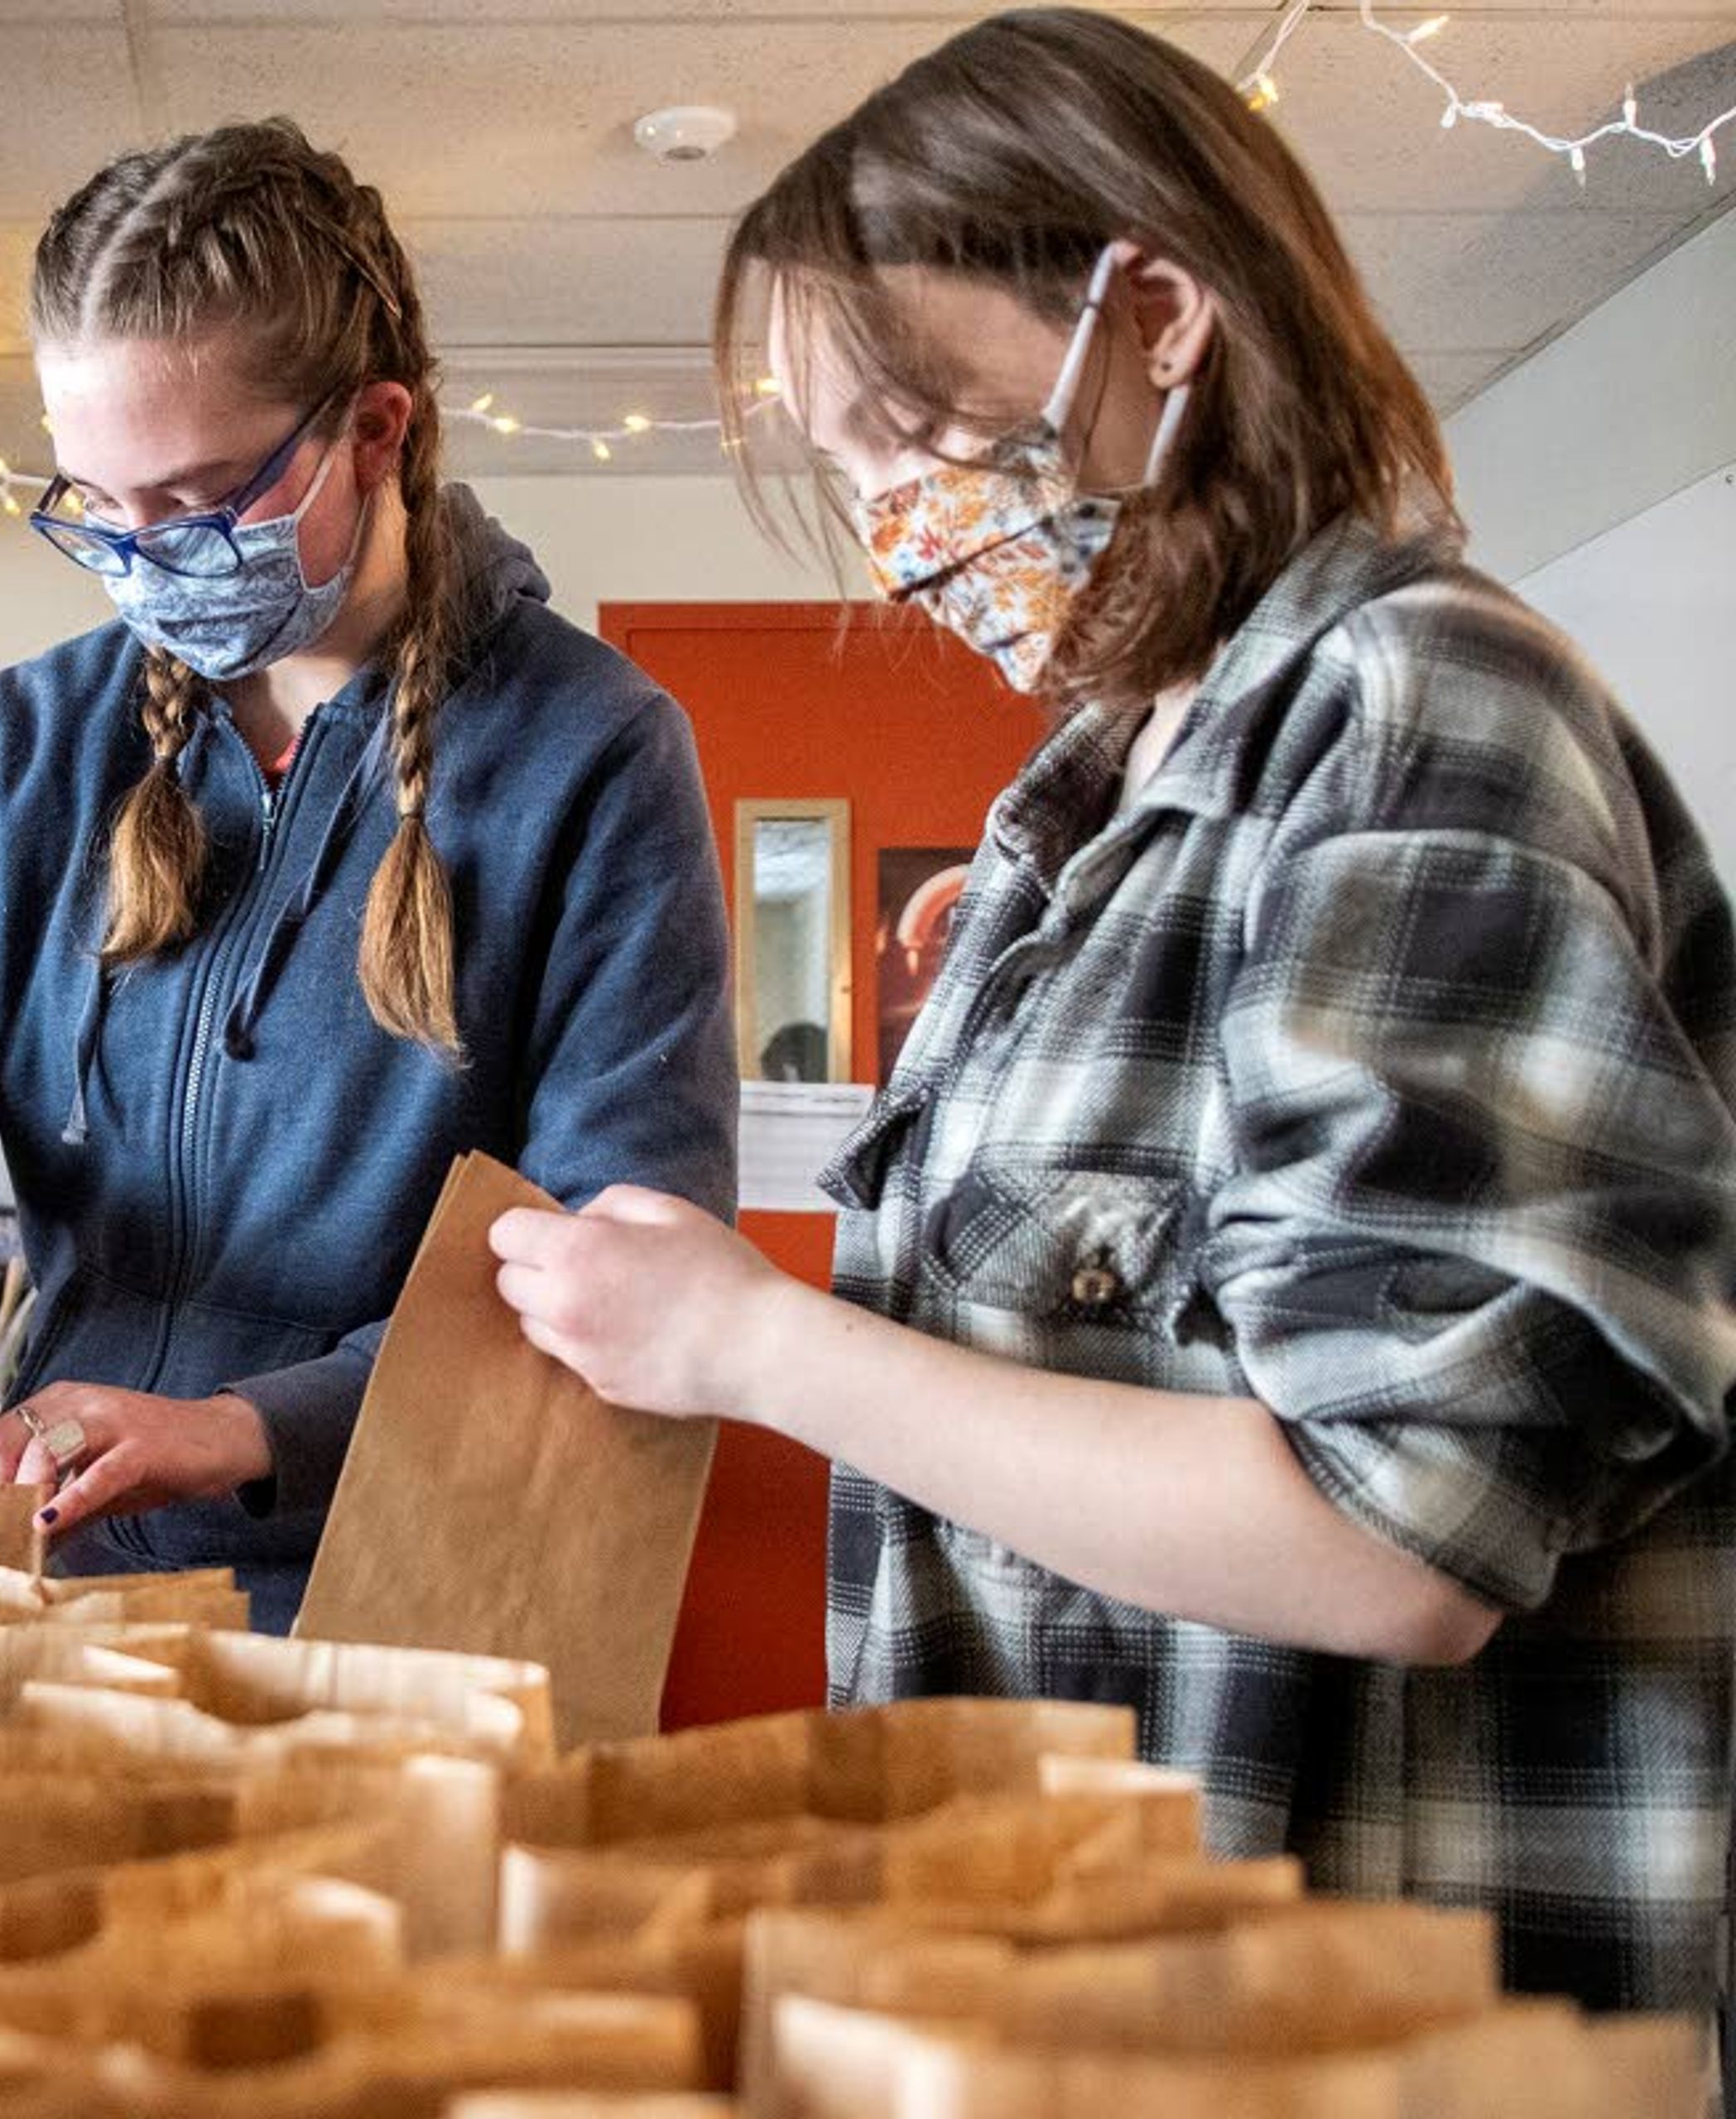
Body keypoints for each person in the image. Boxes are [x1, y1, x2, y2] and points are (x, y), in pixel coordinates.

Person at [491, 8, 1735, 2025]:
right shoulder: (1075, 816)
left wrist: (747, 1336)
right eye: (851, 474)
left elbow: (1398, 1534)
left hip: (1345, 2014)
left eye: (915, 432)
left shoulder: (1411, 712)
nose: (898, 530)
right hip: (1083, 1989)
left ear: (1149, 319)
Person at [0, 118, 739, 1631]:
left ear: (375, 431)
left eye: (195, 501)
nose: (140, 558)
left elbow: (620, 1264)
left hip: (418, 1600)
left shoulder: (589, 752)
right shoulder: (44, 738)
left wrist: (246, 1431)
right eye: (98, 507)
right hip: (80, 1589)